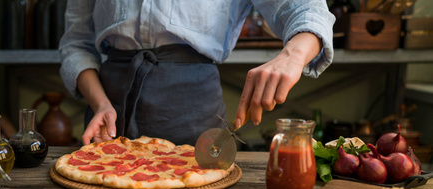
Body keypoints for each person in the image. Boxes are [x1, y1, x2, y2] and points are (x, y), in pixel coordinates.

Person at [59, 0, 335, 146]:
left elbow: (306, 8)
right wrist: (100, 104)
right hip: (107, 111)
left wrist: (293, 54)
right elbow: (77, 43)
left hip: (193, 111)